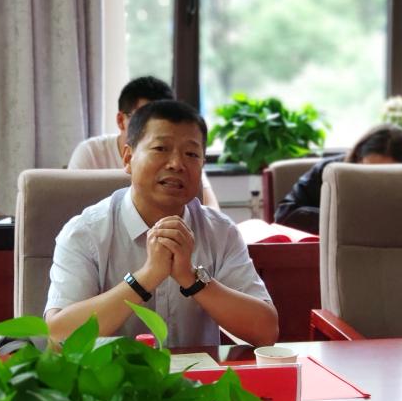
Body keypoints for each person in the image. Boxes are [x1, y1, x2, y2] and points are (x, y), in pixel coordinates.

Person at [45, 99, 278, 347]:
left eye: (191, 154)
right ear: (128, 158)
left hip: (198, 373)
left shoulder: (220, 231)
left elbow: (266, 332)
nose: (176, 164)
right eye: (160, 148)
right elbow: (58, 338)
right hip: (110, 372)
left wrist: (192, 279)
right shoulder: (86, 232)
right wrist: (146, 277)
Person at [68, 75, 220, 207]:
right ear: (121, 120)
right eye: (142, 117)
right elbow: (69, 207)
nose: (175, 164)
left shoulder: (183, 161)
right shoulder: (90, 152)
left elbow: (210, 208)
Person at [273, 124, 402, 233]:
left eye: (388, 173)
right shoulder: (328, 171)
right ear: (357, 158)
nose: (377, 179)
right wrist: (343, 219)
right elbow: (284, 215)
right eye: (369, 170)